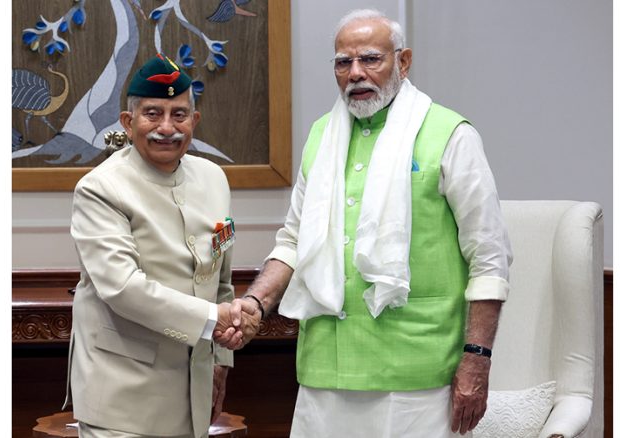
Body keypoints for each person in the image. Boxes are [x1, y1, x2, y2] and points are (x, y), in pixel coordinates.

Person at [217, 9, 513, 438]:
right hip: (324, 369)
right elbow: (294, 240)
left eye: (371, 59)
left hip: (417, 374)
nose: (356, 73)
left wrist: (477, 359)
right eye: (343, 62)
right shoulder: (321, 135)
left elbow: (490, 259)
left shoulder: (450, 135)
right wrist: (257, 303)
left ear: (403, 62)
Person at [63, 54, 260, 438]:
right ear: (128, 121)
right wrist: (212, 321)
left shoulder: (214, 179)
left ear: (194, 121)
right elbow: (123, 288)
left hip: (195, 396)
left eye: (179, 114)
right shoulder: (100, 188)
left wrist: (220, 361)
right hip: (122, 402)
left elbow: (220, 276)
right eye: (152, 113)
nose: (166, 127)